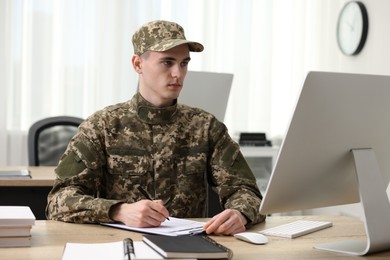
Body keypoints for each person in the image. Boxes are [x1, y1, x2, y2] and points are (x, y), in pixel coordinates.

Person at [46, 19, 266, 235]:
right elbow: (59, 200)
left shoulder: (206, 127)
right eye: (167, 62)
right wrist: (118, 210)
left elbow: (247, 192)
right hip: (122, 246)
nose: (177, 74)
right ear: (138, 64)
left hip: (188, 249)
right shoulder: (102, 126)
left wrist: (240, 213)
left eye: (184, 63)